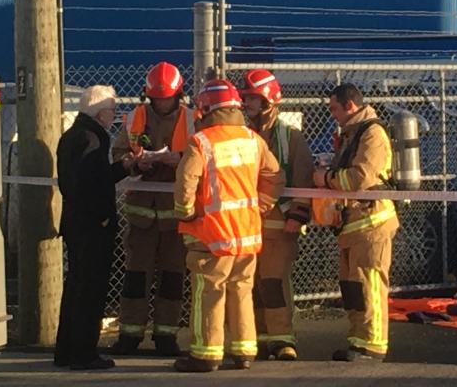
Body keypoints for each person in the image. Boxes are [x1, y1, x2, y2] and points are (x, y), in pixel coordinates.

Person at [172, 79, 285, 373]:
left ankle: (206, 354)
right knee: (242, 291)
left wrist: (185, 214)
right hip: (247, 234)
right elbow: (274, 176)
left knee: (209, 292)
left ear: (207, 109)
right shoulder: (253, 140)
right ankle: (244, 352)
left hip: (211, 235)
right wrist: (260, 206)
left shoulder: (202, 142)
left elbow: (186, 182)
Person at [110, 62, 195, 356]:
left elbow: (202, 156)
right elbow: (119, 153)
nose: (161, 103)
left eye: (166, 98)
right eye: (156, 98)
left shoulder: (192, 119)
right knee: (136, 276)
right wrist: (136, 163)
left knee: (173, 276)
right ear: (148, 95)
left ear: (177, 94)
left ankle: (166, 335)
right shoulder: (135, 117)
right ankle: (130, 334)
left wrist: (179, 159)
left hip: (176, 217)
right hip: (141, 215)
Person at [312, 83, 399, 362]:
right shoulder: (351, 135)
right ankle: (357, 340)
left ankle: (373, 345)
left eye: (335, 108)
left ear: (350, 105)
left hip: (371, 222)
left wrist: (325, 178)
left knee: (369, 284)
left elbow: (361, 178)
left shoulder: (372, 133)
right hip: (353, 225)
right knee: (353, 288)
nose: (333, 115)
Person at [54, 85, 135, 370]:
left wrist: (123, 167)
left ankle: (65, 350)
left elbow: (87, 180)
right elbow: (89, 186)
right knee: (91, 291)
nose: (114, 116)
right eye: (113, 110)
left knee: (76, 287)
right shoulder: (93, 140)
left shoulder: (73, 136)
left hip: (76, 224)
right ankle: (84, 353)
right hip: (92, 228)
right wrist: (102, 217)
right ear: (102, 113)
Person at [238, 69, 314, 361]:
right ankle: (257, 338)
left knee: (273, 281)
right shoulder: (243, 136)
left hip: (279, 226)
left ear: (269, 100)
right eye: (246, 99)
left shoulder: (290, 138)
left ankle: (282, 340)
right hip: (246, 225)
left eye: (253, 99)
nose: (248, 105)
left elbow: (304, 179)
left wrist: (297, 215)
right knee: (252, 284)